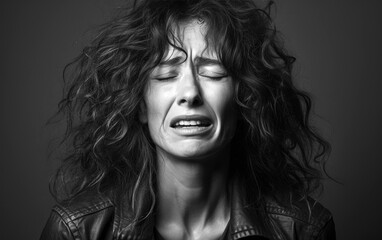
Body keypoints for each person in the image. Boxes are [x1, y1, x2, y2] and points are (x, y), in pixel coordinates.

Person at [41, 0, 335, 239]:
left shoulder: (303, 230)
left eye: (213, 73)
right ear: (140, 105)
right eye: (167, 75)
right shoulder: (78, 230)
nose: (190, 93)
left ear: (244, 98)